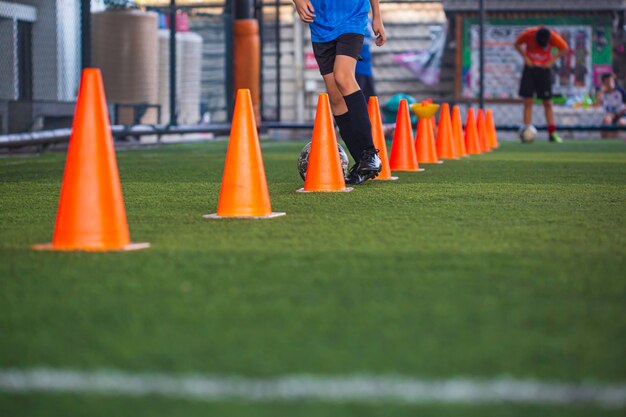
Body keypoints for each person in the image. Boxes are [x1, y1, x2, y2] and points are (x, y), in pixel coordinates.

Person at [293, 0, 386, 185]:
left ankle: (370, 153)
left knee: (343, 77)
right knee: (335, 97)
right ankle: (361, 162)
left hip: (352, 18)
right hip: (320, 23)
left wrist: (377, 16)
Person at [514, 26, 569, 143]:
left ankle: (552, 133)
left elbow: (564, 48)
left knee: (547, 102)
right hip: (530, 69)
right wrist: (525, 58)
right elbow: (516, 44)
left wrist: (551, 61)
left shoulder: (553, 36)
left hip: (545, 70)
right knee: (528, 101)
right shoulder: (528, 34)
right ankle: (527, 131)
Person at [596, 73, 626, 139]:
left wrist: (616, 114)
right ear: (604, 83)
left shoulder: (620, 91)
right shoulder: (603, 93)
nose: (611, 84)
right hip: (610, 116)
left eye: (612, 81)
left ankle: (612, 141)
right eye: (608, 82)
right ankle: (605, 143)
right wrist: (601, 91)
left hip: (622, 115)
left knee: (621, 122)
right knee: (606, 121)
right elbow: (597, 104)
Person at [355, 20, 376, 101]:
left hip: (367, 67)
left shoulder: (369, 21)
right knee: (357, 98)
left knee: (371, 98)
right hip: (355, 67)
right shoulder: (352, 18)